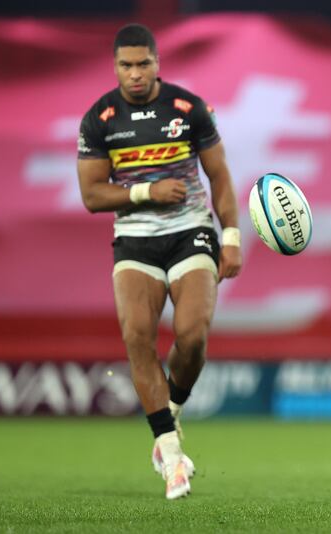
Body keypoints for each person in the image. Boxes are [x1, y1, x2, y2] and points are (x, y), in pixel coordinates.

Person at [77, 23, 242, 500]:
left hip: (190, 233)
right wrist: (147, 191)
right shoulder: (99, 119)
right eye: (126, 65)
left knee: (192, 336)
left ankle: (170, 408)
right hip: (134, 241)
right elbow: (91, 195)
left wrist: (230, 238)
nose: (134, 73)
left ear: (156, 63)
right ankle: (171, 456)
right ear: (115, 67)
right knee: (136, 337)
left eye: (142, 63)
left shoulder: (187, 108)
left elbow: (220, 177)